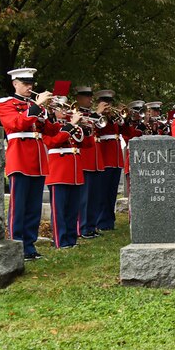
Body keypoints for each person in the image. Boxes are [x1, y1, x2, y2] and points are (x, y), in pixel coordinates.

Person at [0, 67, 59, 260]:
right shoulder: (6, 103)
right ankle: (17, 245)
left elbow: (50, 131)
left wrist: (52, 114)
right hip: (20, 157)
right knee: (19, 205)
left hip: (38, 160)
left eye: (31, 84)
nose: (29, 87)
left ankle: (29, 246)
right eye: (25, 83)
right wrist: (35, 108)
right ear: (15, 84)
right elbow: (15, 124)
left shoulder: (36, 105)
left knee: (34, 206)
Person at [43, 99, 87, 249]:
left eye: (65, 107)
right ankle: (60, 241)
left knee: (73, 209)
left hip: (74, 171)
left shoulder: (71, 125)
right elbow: (53, 142)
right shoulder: (49, 126)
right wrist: (71, 125)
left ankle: (71, 239)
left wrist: (85, 126)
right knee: (59, 210)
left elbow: (87, 143)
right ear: (53, 110)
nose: (64, 111)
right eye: (60, 108)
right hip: (58, 171)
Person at [92, 89, 125, 232]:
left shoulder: (112, 118)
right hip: (104, 157)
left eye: (110, 103)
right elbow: (94, 130)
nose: (108, 106)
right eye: (105, 103)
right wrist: (99, 114)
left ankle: (109, 221)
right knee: (102, 192)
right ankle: (100, 221)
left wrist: (118, 116)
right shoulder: (96, 117)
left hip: (116, 158)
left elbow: (124, 129)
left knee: (112, 192)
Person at [74, 86, 104, 239]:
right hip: (84, 158)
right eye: (86, 96)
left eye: (90, 96)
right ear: (78, 97)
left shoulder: (91, 114)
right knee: (84, 198)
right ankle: (82, 227)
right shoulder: (76, 113)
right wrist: (97, 113)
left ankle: (91, 226)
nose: (90, 99)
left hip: (96, 159)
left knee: (94, 196)